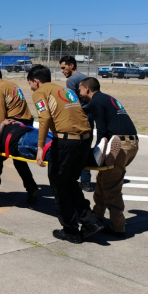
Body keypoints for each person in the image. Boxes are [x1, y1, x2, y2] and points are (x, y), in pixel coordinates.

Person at [27, 64, 104, 244]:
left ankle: (70, 230)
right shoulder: (65, 90)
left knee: (59, 185)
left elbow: (44, 117)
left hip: (65, 142)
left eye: (30, 83)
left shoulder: (40, 92)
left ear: (36, 81)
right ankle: (90, 221)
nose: (30, 87)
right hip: (84, 140)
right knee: (70, 182)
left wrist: (40, 147)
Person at [79, 77, 137, 238]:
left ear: (87, 89)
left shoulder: (96, 102)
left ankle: (118, 227)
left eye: (80, 90)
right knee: (103, 179)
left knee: (111, 185)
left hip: (119, 144)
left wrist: (99, 150)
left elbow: (102, 129)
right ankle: (97, 217)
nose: (80, 93)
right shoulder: (107, 98)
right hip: (131, 143)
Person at [0, 66, 40, 204]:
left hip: (14, 124)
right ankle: (30, 188)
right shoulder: (12, 84)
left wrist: (0, 130)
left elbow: (1, 113)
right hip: (27, 122)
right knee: (17, 158)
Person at [0, 119, 108, 169]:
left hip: (26, 133)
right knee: (55, 150)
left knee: (62, 144)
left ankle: (96, 155)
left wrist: (15, 124)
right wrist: (2, 124)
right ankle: (93, 159)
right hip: (21, 141)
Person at [59, 55, 93, 192]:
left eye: (64, 68)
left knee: (75, 149)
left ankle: (71, 179)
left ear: (71, 65)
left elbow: (72, 102)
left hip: (80, 117)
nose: (62, 71)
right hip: (90, 115)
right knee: (86, 148)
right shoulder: (85, 77)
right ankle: (86, 182)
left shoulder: (71, 80)